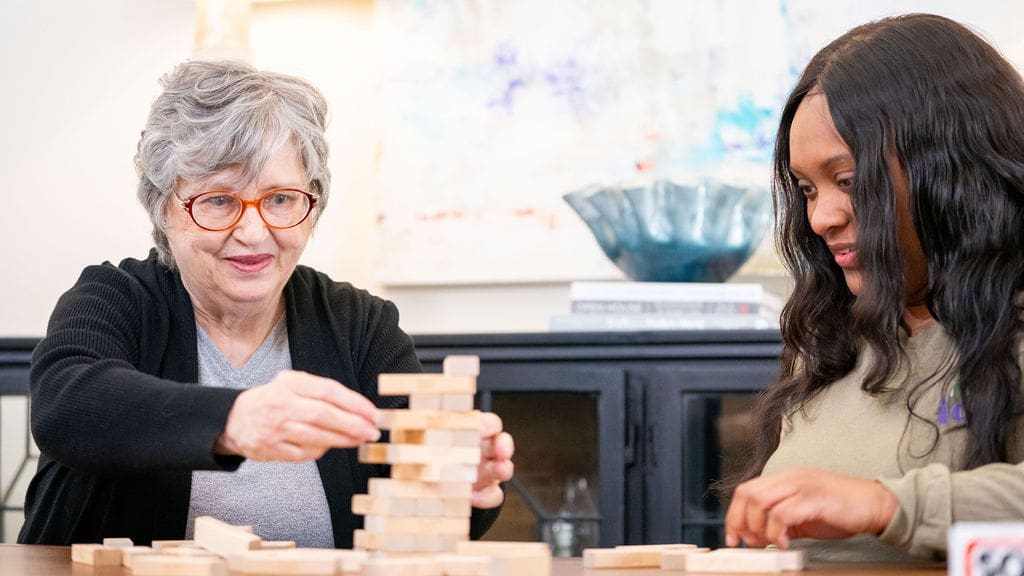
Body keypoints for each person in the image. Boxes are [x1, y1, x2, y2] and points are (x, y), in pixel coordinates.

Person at [19, 60, 514, 547]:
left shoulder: (359, 324)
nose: (254, 233)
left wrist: (462, 490)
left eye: (280, 199)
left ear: (311, 203)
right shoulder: (117, 297)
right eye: (218, 201)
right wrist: (235, 419)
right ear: (163, 208)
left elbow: (417, 515)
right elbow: (66, 408)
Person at [724, 13, 1024, 562]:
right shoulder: (832, 344)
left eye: (847, 181)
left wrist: (885, 505)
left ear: (951, 167)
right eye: (807, 189)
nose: (821, 218)